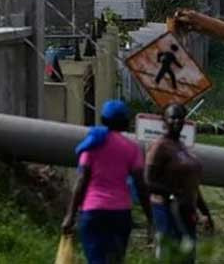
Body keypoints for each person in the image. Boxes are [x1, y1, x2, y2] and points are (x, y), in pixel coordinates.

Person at [62, 100, 152, 264]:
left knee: (96, 259)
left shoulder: (93, 143)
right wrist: (151, 218)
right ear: (125, 122)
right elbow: (141, 186)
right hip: (120, 213)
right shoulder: (132, 149)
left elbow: (82, 181)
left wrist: (70, 215)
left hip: (93, 212)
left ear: (103, 119)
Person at [146, 103, 213, 263]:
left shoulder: (181, 147)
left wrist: (205, 212)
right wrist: (173, 193)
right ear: (165, 121)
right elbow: (148, 181)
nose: (176, 121)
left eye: (180, 118)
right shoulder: (159, 146)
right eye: (172, 118)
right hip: (167, 210)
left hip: (186, 211)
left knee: (187, 257)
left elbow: (191, 185)